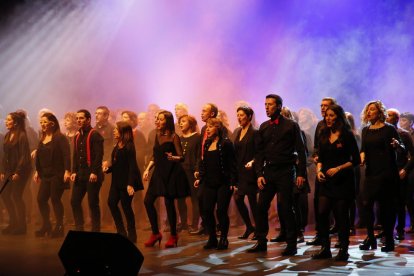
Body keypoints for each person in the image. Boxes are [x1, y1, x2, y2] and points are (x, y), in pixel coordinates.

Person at [247, 94, 306, 256]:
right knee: (261, 207)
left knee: (286, 208)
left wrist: (301, 173)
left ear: (279, 106)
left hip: (286, 171)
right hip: (269, 172)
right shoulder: (264, 127)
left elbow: (301, 151)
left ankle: (291, 244)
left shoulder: (291, 126)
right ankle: (261, 241)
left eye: (270, 104)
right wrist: (259, 174)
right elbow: (259, 153)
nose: (266, 107)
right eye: (265, 104)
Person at [311, 104, 360, 261]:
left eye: (331, 115)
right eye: (327, 115)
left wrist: (338, 168)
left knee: (341, 217)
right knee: (322, 213)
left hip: (343, 181)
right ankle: (325, 248)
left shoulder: (347, 135)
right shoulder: (323, 133)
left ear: (338, 117)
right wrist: (318, 170)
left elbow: (356, 160)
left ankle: (343, 250)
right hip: (326, 181)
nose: (328, 118)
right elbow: (319, 157)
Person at [359, 100, 403, 252]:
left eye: (372, 109)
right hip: (371, 173)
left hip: (387, 173)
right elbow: (363, 149)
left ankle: (389, 239)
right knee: (366, 205)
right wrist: (362, 157)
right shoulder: (365, 130)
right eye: (368, 110)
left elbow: (402, 147)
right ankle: (371, 238)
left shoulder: (389, 129)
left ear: (379, 112)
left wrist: (397, 145)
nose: (369, 112)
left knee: (386, 209)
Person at [143, 110, 189, 248]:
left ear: (167, 122)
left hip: (171, 173)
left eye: (160, 119)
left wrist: (173, 157)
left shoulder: (174, 137)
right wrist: (147, 169)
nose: (157, 121)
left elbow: (182, 157)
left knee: (169, 204)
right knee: (148, 201)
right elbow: (154, 156)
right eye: (157, 119)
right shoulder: (157, 135)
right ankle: (156, 233)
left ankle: (173, 235)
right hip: (158, 173)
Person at [195, 118, 236, 250]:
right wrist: (200, 178)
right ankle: (212, 238)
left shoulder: (226, 144)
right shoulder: (207, 144)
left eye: (211, 126)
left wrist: (233, 182)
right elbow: (204, 163)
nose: (207, 128)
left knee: (221, 211)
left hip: (223, 183)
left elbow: (233, 164)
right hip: (209, 182)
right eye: (207, 126)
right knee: (207, 211)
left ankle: (223, 238)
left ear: (217, 128)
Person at [103, 121, 143, 243]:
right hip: (116, 182)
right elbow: (116, 164)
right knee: (111, 203)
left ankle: (132, 234)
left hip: (126, 182)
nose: (114, 131)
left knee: (126, 207)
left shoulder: (129, 146)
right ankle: (121, 231)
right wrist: (107, 169)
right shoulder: (117, 145)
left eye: (116, 129)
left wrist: (130, 184)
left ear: (123, 132)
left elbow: (132, 166)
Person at [34, 112, 71, 237]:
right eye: (41, 122)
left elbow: (66, 155)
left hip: (57, 174)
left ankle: (59, 226)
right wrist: (37, 171)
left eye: (44, 122)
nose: (42, 124)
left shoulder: (59, 137)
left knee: (55, 199)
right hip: (45, 174)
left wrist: (67, 170)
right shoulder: (43, 138)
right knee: (41, 199)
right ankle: (46, 224)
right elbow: (39, 156)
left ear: (52, 123)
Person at [306, 97, 337, 246]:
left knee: (336, 205)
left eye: (326, 106)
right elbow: (317, 146)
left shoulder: (340, 126)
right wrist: (316, 156)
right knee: (318, 201)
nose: (323, 108)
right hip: (321, 169)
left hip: (336, 170)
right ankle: (321, 234)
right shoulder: (320, 124)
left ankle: (339, 236)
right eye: (321, 106)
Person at [70, 109, 104, 232]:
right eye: (77, 118)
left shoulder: (94, 134)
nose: (79, 120)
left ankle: (96, 229)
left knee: (92, 203)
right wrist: (74, 171)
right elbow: (75, 155)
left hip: (92, 173)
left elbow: (99, 155)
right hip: (80, 174)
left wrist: (94, 172)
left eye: (81, 118)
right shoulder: (77, 135)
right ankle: (79, 227)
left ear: (88, 120)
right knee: (74, 201)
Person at [0, 111, 32, 235]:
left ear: (16, 122)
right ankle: (13, 223)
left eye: (8, 120)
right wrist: (3, 171)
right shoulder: (8, 135)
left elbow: (24, 156)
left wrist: (18, 172)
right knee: (5, 195)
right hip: (9, 170)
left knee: (16, 196)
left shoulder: (22, 135)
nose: (6, 122)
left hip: (21, 170)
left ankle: (21, 226)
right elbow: (5, 155)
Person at [386, 108, 414, 240]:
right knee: (385, 202)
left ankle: (400, 229)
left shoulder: (404, 134)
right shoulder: (383, 132)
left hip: (400, 171)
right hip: (385, 172)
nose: (386, 117)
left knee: (400, 202)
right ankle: (386, 229)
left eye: (390, 116)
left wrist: (405, 169)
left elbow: (413, 155)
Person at [233, 106, 258, 240]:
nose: (239, 117)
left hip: (250, 172)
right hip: (240, 171)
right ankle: (249, 226)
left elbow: (259, 152)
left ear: (249, 116)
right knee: (238, 199)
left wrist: (253, 162)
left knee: (253, 201)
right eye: (238, 115)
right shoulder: (237, 131)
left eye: (242, 115)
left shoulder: (254, 132)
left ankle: (258, 230)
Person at [178, 114, 201, 232]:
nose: (180, 123)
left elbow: (198, 156)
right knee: (180, 198)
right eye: (180, 121)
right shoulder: (179, 138)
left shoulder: (197, 137)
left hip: (191, 172)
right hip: (180, 172)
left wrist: (197, 170)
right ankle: (183, 223)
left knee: (195, 198)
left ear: (190, 124)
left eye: (183, 121)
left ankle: (195, 224)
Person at [94, 106, 115, 226]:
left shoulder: (112, 129)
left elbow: (113, 147)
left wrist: (108, 161)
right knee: (95, 193)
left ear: (106, 116)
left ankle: (107, 219)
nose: (96, 116)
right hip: (95, 165)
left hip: (106, 165)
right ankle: (97, 218)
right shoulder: (93, 129)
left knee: (106, 192)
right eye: (96, 113)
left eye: (100, 114)